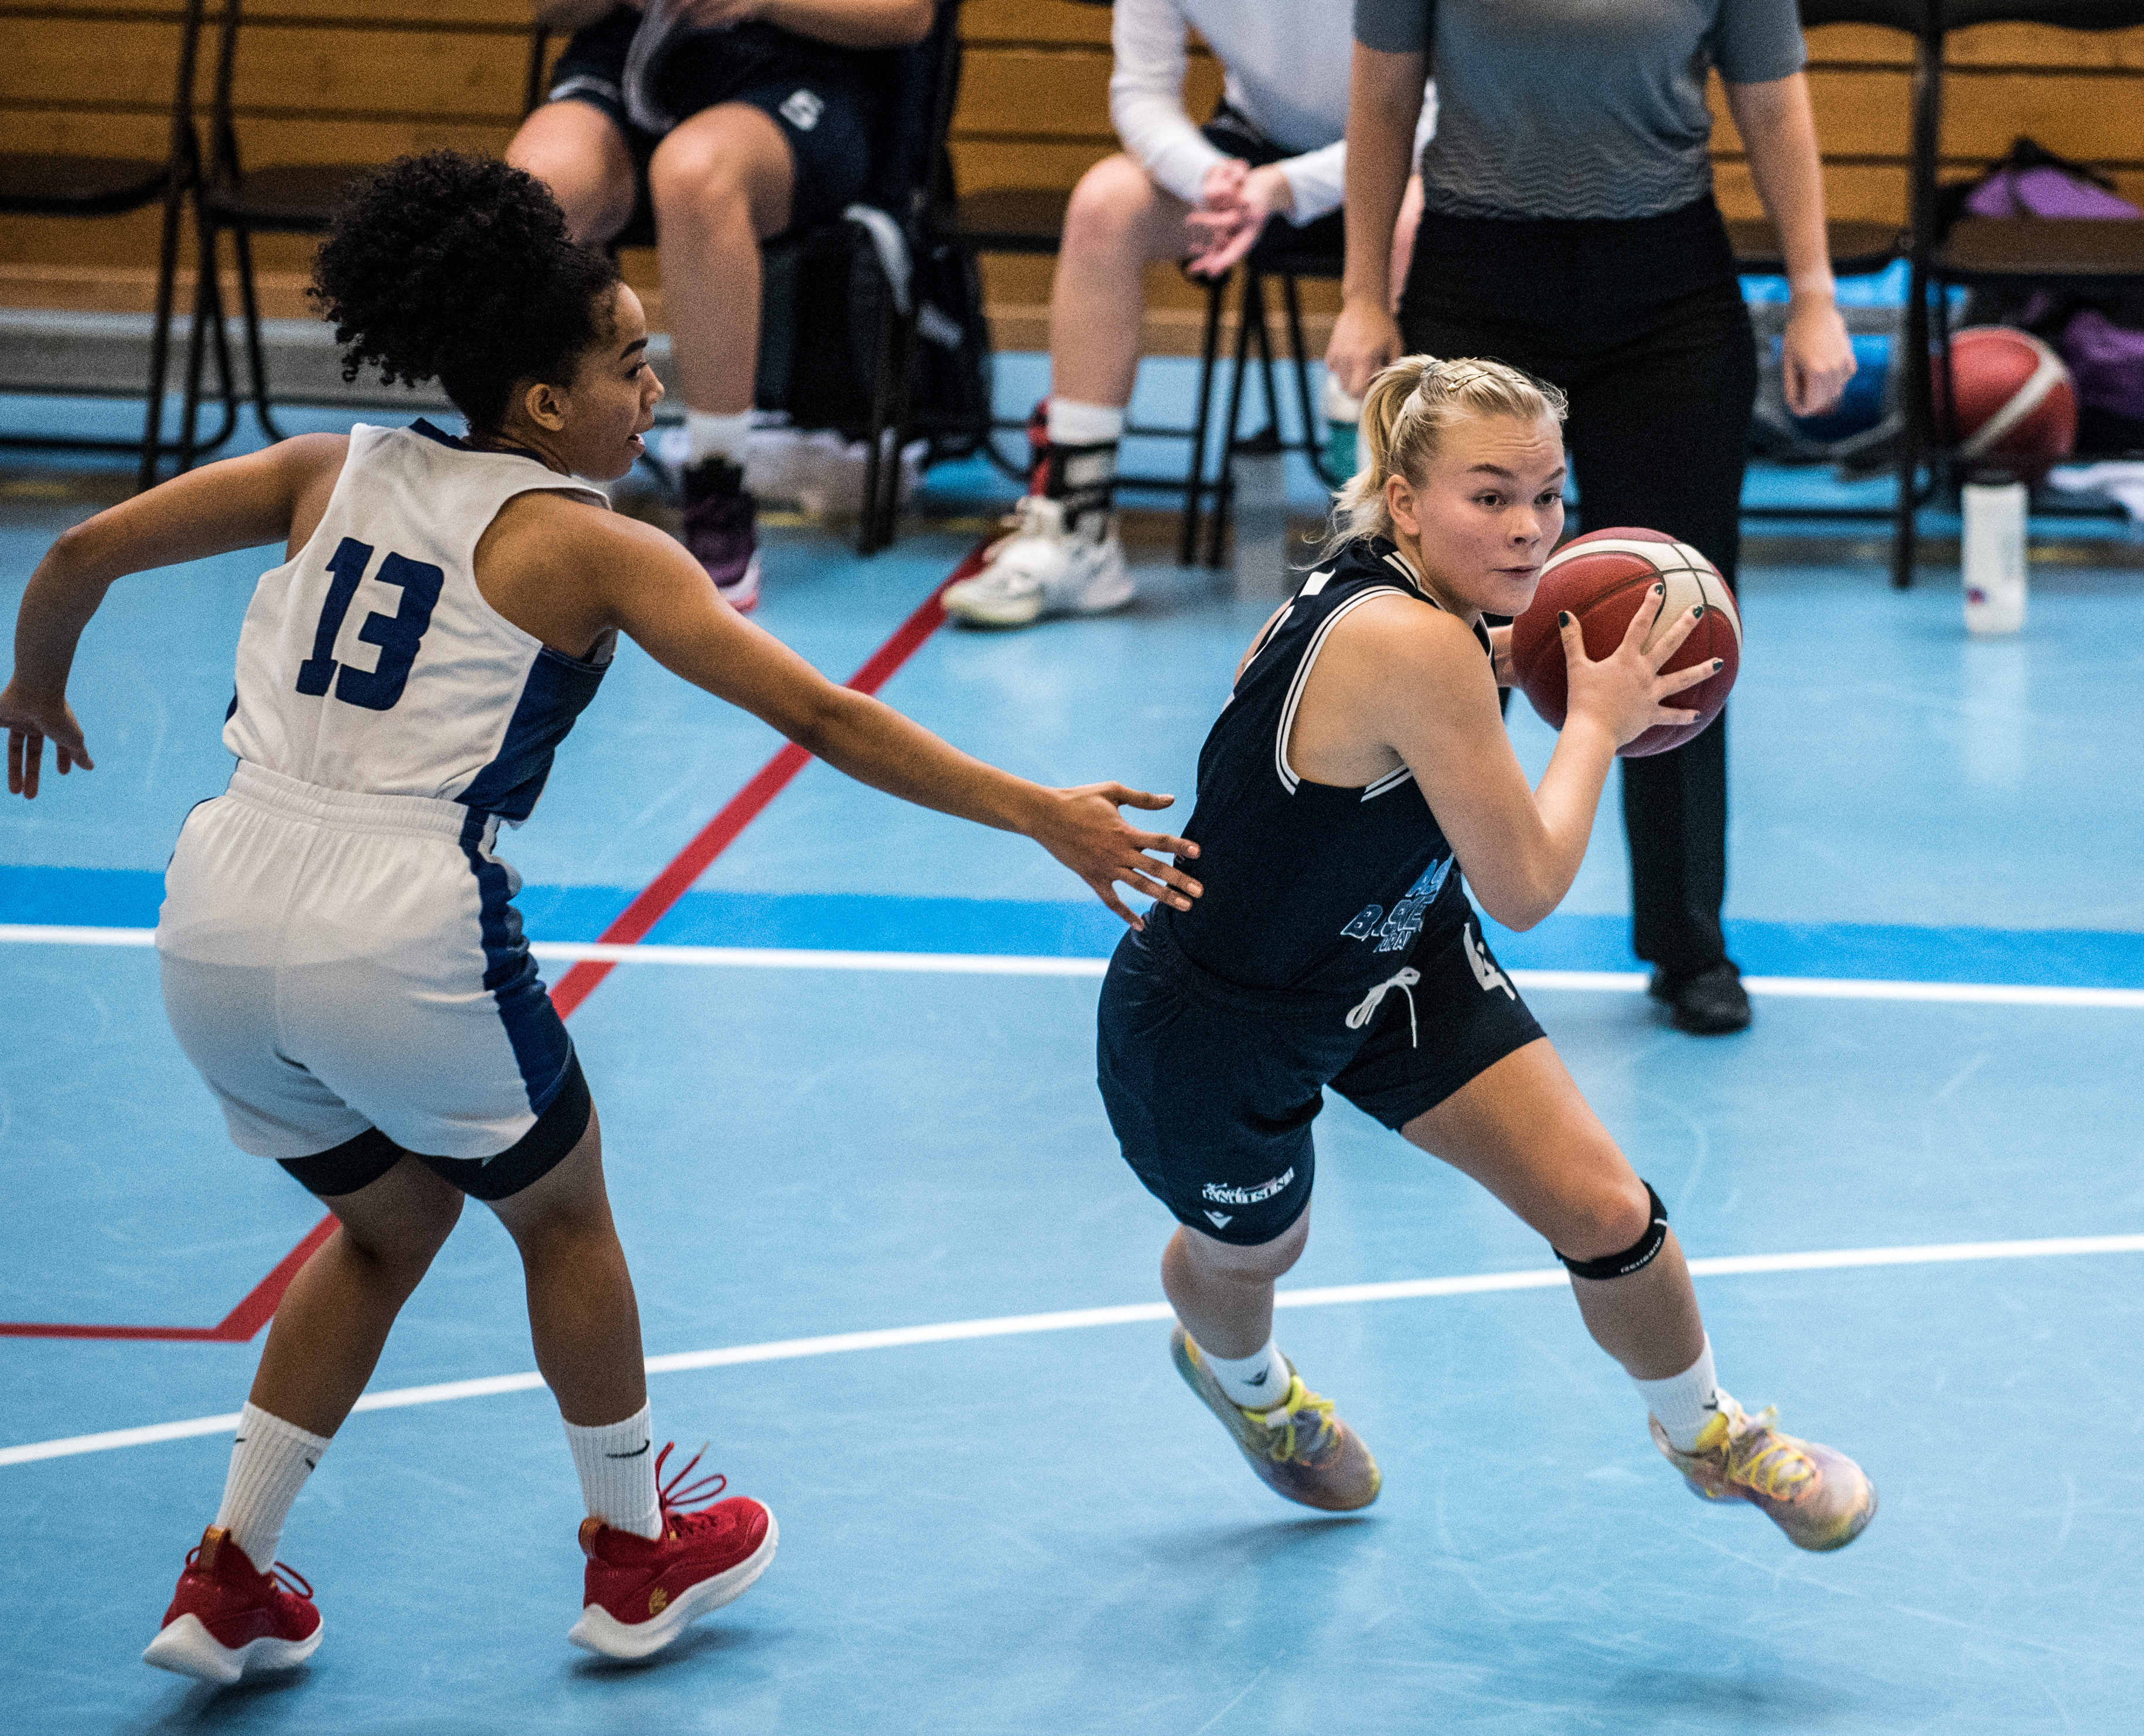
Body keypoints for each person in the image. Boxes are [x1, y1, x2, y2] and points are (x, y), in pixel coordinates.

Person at [0, 151, 1203, 1683]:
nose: (655, 385)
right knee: (560, 1214)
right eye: (631, 360)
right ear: (547, 407)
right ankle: (636, 1550)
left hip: (214, 910)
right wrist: (1042, 811)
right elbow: (824, 720)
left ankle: (231, 1572)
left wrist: (35, 683)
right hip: (403, 911)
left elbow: (78, 551)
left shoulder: (326, 468)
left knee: (392, 1218)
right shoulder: (590, 545)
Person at [1096, 356, 1874, 1551]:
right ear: (1403, 500)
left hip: (1394, 953)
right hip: (1215, 1016)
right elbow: (1524, 885)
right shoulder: (1408, 641)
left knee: (1606, 1206)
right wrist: (1598, 721)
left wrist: (1525, 662)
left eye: (1546, 496)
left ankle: (1705, 1432)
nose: (1527, 530)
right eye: (1488, 496)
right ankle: (1244, 1383)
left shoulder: (1439, 614)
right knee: (1251, 1249)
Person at [1327, 0, 1859, 1035]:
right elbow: (1382, 93)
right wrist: (1361, 293)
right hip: (1475, 273)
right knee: (1430, 630)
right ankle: (1389, 938)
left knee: (1676, 619)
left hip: (1666, 287)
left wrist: (1812, 290)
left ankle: (1686, 941)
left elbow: (1771, 101)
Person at [940, 0, 1433, 630]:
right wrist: (1209, 179)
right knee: (1104, 206)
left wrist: (1282, 188)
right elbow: (1140, 94)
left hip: (1412, 146)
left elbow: (1430, 111)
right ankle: (1077, 526)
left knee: (1412, 224)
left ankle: (1381, 552)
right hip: (1251, 155)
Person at [507, 0, 935, 613]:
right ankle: (540, 469)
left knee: (695, 174)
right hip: (626, 67)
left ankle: (717, 482)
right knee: (533, 189)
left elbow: (910, 16)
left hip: (797, 79)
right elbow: (550, 8)